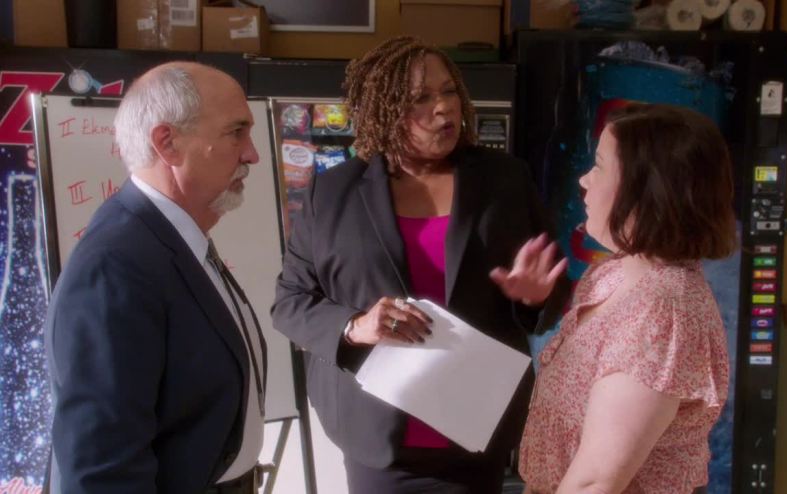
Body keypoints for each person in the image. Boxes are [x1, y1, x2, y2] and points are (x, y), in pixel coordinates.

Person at [271, 36, 566, 494]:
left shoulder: (505, 180)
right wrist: (355, 326)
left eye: (449, 91)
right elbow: (290, 303)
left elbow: (552, 287)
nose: (444, 108)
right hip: (377, 436)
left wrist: (537, 298)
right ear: (384, 111)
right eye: (420, 99)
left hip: (475, 428)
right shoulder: (331, 194)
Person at [44, 61, 267, 494]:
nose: (252, 154)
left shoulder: (172, 239)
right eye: (236, 132)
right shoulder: (115, 265)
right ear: (167, 143)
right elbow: (101, 470)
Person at [517, 103, 736, 494]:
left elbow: (595, 482)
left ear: (647, 192)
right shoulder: (612, 273)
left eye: (600, 166)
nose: (584, 180)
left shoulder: (662, 310)